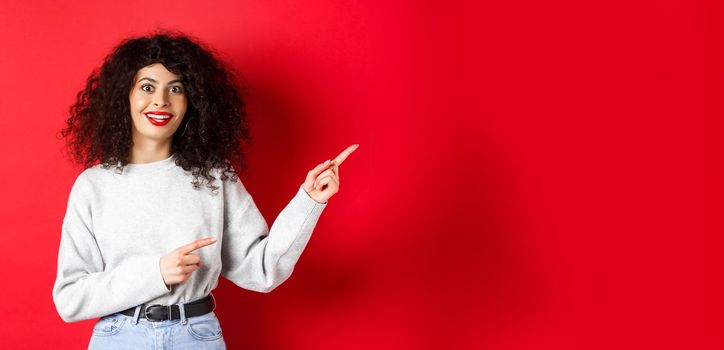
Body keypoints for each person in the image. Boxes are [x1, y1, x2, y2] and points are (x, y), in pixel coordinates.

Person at [52, 30, 359, 349]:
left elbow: (263, 269)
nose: (161, 100)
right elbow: (70, 299)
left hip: (195, 336)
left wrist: (308, 201)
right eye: (147, 87)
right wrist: (155, 273)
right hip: (120, 337)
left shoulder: (214, 176)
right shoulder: (93, 186)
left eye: (176, 89)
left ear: (191, 103)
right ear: (124, 97)